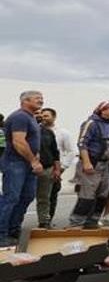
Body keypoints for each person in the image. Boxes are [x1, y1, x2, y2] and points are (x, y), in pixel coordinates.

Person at [0, 91, 43, 246]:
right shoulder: (20, 117)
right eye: (37, 98)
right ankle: (1, 234)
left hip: (27, 164)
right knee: (11, 198)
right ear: (25, 100)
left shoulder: (31, 118)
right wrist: (33, 161)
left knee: (27, 196)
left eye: (42, 98)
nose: (41, 101)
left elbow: (32, 141)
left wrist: (35, 158)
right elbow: (19, 142)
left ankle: (13, 229)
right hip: (15, 163)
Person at [69, 100, 109, 229]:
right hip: (92, 164)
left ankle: (93, 221)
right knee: (87, 195)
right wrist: (86, 162)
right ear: (103, 110)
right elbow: (82, 143)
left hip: (105, 165)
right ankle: (76, 223)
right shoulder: (91, 123)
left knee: (103, 195)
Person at [42, 108, 76, 222]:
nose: (43, 118)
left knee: (51, 196)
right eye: (42, 115)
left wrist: (62, 168)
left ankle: (47, 221)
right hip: (37, 168)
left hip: (55, 169)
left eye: (46, 115)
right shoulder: (35, 131)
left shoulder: (63, 133)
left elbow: (71, 151)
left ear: (54, 117)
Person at [35, 111, 60, 228]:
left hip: (46, 169)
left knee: (44, 198)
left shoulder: (48, 132)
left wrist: (57, 169)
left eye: (40, 114)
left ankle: (44, 222)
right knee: (21, 198)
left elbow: (55, 153)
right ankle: (12, 225)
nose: (39, 116)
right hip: (27, 169)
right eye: (36, 113)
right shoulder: (22, 130)